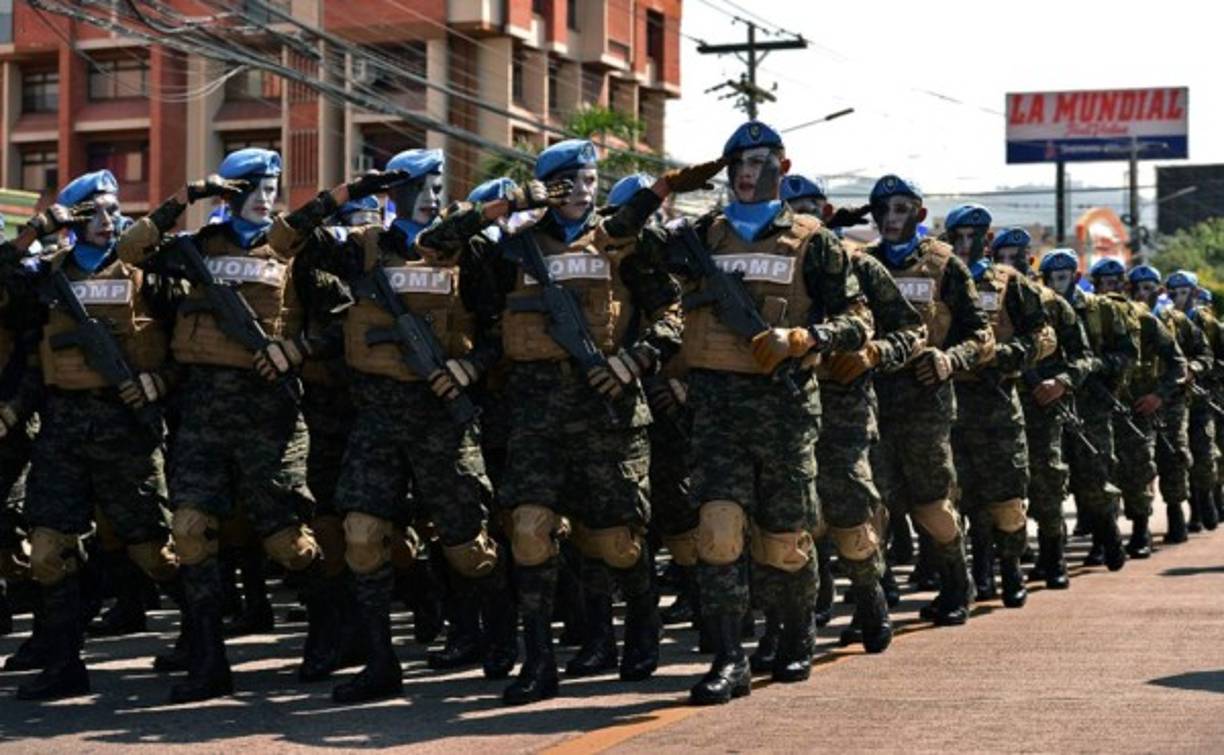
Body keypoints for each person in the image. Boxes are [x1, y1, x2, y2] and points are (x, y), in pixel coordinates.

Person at [425, 139, 717, 705]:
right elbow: (435, 245)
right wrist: (503, 206)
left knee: (617, 542)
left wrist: (636, 359)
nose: (584, 188)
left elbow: (669, 311)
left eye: (589, 178)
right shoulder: (511, 249)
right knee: (530, 532)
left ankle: (641, 624)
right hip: (534, 416)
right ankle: (538, 661)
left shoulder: (623, 241)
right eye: (570, 179)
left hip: (607, 411)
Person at [125, 148, 405, 703]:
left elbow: (343, 324)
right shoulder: (195, 249)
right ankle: (208, 662)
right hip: (204, 414)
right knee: (189, 531)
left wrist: (294, 349)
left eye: (271, 186)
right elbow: (130, 251)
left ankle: (333, 627)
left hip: (270, 414)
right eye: (251, 186)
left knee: (287, 542)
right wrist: (185, 200)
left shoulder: (298, 252)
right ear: (228, 193)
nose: (264, 196)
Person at [667, 122, 869, 702]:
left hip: (783, 408)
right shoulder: (703, 236)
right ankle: (729, 657)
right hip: (716, 409)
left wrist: (802, 339)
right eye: (738, 162)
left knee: (783, 539)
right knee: (719, 531)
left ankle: (793, 633)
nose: (748, 172)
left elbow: (859, 320)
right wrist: (664, 187)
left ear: (782, 166)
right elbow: (625, 246)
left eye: (759, 161)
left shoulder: (814, 240)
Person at [864, 175, 993, 627]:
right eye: (884, 209)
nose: (892, 218)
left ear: (919, 215)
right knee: (871, 506)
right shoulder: (860, 264)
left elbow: (981, 335)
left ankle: (957, 587)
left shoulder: (944, 266)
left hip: (926, 402)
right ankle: (874, 601)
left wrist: (948, 359)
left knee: (932, 504)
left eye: (902, 209)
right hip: (872, 401)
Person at [944, 204, 1047, 608]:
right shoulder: (940, 280)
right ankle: (980, 571)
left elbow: (1042, 336)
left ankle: (1011, 569)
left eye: (974, 236)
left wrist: (1003, 357)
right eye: (959, 236)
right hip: (950, 402)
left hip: (997, 402)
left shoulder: (1009, 283)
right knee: (962, 496)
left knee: (1005, 494)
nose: (966, 244)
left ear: (987, 239)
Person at [992, 229, 1091, 588]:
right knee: (997, 486)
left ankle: (1053, 557)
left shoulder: (1051, 303)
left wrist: (1061, 382)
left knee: (1046, 481)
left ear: (1029, 261)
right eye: (1002, 256)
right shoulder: (978, 300)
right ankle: (1004, 564)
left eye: (1017, 257)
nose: (1009, 264)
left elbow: (1082, 356)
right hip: (992, 407)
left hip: (1040, 405)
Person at [1038, 250, 1136, 571]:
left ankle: (1106, 539)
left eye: (1064, 276)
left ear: (1077, 277)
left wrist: (1097, 365)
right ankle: (1052, 556)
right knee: (1049, 480)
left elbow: (1125, 354)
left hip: (1091, 405)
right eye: (1052, 277)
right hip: (1050, 402)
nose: (1057, 282)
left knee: (1094, 476)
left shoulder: (1102, 311)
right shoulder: (1038, 307)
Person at [1125, 264, 1193, 549]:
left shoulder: (1175, 321)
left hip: (1169, 402)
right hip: (1134, 405)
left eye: (1149, 288)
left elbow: (1189, 360)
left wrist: (1161, 394)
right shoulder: (1122, 318)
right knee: (1139, 464)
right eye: (1138, 288)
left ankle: (1176, 515)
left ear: (1159, 291)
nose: (1144, 293)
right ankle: (1141, 528)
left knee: (1173, 458)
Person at [1166, 270, 1219, 532]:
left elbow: (1214, 358)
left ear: (1195, 293)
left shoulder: (1207, 323)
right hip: (1174, 398)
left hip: (1202, 397)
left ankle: (1205, 498)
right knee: (1178, 453)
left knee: (1204, 451)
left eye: (1184, 292)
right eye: (1173, 293)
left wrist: (1196, 371)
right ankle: (1184, 511)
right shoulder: (1165, 320)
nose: (1178, 298)